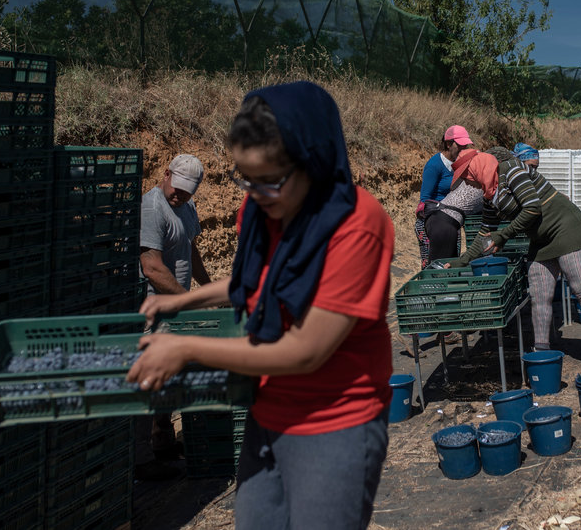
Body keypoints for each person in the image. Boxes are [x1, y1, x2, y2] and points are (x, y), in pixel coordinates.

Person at [128, 81, 394, 530]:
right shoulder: (265, 209)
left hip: (333, 424)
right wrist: (182, 302)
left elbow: (306, 350)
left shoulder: (356, 226)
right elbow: (256, 284)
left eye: (270, 180)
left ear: (313, 159)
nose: (255, 193)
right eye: (245, 178)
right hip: (267, 410)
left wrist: (187, 348)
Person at [447, 147, 581, 372]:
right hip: (540, 239)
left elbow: (532, 207)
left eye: (468, 179)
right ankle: (542, 357)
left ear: (476, 170)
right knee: (539, 296)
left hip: (566, 229)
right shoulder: (490, 196)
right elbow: (486, 233)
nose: (470, 184)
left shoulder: (511, 171)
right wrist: (463, 260)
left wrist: (503, 235)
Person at [138, 153, 212, 468]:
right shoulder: (153, 207)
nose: (180, 194)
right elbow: (152, 268)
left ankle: (164, 441)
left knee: (173, 375)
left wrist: (207, 289)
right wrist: (187, 300)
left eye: (188, 190)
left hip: (177, 305)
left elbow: (189, 248)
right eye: (177, 187)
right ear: (166, 174)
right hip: (154, 308)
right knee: (156, 375)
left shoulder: (186, 207)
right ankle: (150, 449)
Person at [414, 125, 473, 269]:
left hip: (452, 222)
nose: (463, 149)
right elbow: (425, 200)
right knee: (434, 267)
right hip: (433, 223)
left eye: (465, 145)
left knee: (451, 265)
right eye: (459, 145)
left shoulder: (460, 164)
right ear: (448, 144)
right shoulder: (434, 165)